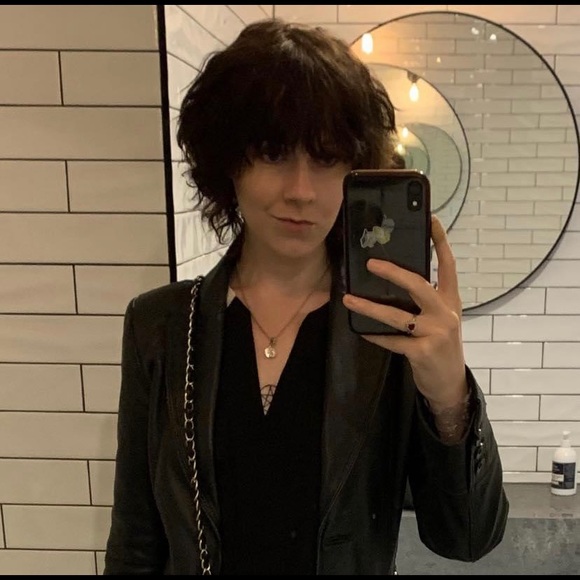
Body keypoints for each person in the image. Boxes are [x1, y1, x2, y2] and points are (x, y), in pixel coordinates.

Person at [103, 18, 509, 576]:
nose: (301, 190)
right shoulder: (161, 325)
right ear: (229, 162)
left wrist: (448, 398)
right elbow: (135, 542)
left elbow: (467, 537)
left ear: (355, 168)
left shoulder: (390, 332)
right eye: (273, 154)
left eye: (325, 158)